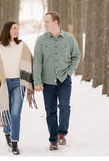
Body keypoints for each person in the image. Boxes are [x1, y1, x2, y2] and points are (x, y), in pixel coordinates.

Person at [0, 21, 37, 155]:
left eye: (17, 28)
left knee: (15, 113)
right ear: (7, 30)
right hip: (4, 83)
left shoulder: (22, 46)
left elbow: (32, 63)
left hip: (19, 83)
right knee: (6, 111)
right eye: (14, 28)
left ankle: (14, 142)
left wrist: (33, 82)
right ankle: (7, 132)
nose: (16, 31)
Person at [33, 11, 80, 151]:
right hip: (47, 82)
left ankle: (62, 134)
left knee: (65, 107)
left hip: (64, 80)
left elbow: (76, 56)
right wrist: (37, 81)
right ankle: (53, 140)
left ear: (56, 22)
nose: (45, 23)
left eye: (47, 21)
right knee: (50, 111)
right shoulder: (41, 40)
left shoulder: (69, 39)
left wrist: (69, 72)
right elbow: (37, 62)